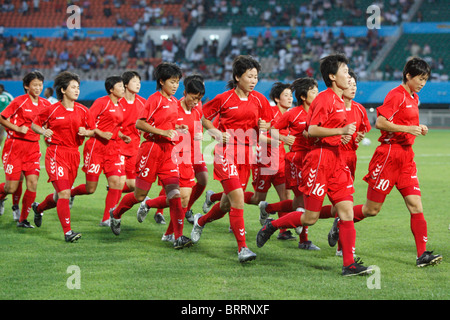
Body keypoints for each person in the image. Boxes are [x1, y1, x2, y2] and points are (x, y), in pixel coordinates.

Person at [256, 53, 372, 276]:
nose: (349, 76)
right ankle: (272, 225)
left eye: (349, 72)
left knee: (346, 211)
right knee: (310, 217)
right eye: (345, 72)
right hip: (318, 160)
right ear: (332, 76)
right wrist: (340, 131)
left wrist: (345, 137)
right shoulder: (325, 99)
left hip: (337, 160)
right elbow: (311, 131)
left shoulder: (341, 101)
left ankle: (348, 264)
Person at [334, 57, 442, 267]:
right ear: (408, 75)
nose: (422, 83)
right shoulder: (396, 95)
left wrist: (419, 127)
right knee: (371, 210)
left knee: (416, 206)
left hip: (406, 158)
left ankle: (422, 255)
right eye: (420, 78)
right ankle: (342, 220)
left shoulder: (413, 97)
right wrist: (408, 129)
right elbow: (381, 122)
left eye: (426, 79)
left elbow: (406, 122)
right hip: (389, 157)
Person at [190, 55, 273, 263]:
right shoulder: (224, 98)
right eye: (249, 76)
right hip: (225, 152)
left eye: (256, 77)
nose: (254, 81)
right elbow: (204, 117)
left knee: (226, 205)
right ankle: (242, 248)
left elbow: (268, 123)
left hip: (247, 155)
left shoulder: (260, 100)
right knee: (238, 199)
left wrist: (266, 127)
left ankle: (201, 220)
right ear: (237, 77)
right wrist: (216, 133)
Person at [109, 62, 193, 250]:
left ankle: (178, 237)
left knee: (175, 194)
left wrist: (177, 128)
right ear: (161, 81)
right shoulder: (154, 100)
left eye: (178, 82)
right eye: (172, 81)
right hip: (151, 150)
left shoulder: (173, 102)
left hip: (168, 153)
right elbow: (139, 123)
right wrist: (163, 132)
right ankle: (115, 214)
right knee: (139, 195)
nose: (175, 85)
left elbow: (169, 124)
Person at [31, 71, 95, 242]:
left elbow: (93, 130)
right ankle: (68, 232)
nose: (77, 90)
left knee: (59, 195)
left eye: (78, 87)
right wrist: (44, 131)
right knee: (65, 193)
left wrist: (86, 132)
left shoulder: (83, 110)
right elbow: (34, 125)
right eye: (73, 87)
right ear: (63, 90)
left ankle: (38, 208)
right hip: (56, 153)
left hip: (74, 154)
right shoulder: (51, 110)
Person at [141, 75, 206, 242]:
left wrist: (198, 136)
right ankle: (172, 233)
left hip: (190, 156)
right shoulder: (173, 107)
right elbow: (156, 128)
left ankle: (159, 219)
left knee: (182, 199)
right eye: (193, 97)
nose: (196, 102)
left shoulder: (198, 109)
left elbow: (197, 131)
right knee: (179, 197)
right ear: (185, 93)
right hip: (174, 156)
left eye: (199, 99)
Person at [258, 78, 321, 250]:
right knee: (302, 202)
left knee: (297, 203)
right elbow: (273, 129)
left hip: (314, 160)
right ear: (303, 96)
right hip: (295, 160)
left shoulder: (319, 112)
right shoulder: (293, 114)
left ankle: (269, 209)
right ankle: (303, 240)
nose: (317, 95)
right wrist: (284, 138)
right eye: (313, 92)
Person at [70, 76, 131, 226]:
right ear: (111, 89)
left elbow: (114, 127)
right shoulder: (101, 103)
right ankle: (70, 193)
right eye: (120, 86)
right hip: (95, 148)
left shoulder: (120, 105)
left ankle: (107, 218)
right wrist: (100, 132)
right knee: (91, 188)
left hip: (113, 149)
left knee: (116, 182)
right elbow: (87, 125)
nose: (123, 89)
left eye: (124, 86)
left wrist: (122, 136)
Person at [327, 70, 372, 256]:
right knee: (313, 210)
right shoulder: (331, 106)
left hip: (350, 158)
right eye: (350, 83)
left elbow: (362, 132)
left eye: (355, 85)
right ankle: (290, 227)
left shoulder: (359, 109)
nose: (353, 88)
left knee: (343, 204)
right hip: (331, 158)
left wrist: (359, 137)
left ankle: (341, 248)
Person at [243, 82, 295, 240]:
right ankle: (228, 198)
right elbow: (259, 136)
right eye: (286, 95)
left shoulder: (290, 116)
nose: (290, 98)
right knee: (257, 199)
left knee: (286, 196)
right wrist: (277, 141)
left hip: (280, 161)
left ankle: (283, 230)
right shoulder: (269, 113)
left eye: (291, 95)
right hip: (264, 162)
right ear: (277, 99)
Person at [0, 71, 51, 228]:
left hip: (33, 148)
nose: (38, 88)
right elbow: (2, 117)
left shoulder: (46, 104)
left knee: (32, 184)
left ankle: (23, 219)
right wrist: (16, 128)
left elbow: (49, 123)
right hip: (15, 146)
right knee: (11, 187)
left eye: (40, 85)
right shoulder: (19, 101)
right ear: (26, 86)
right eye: (35, 85)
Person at [118, 71, 146, 194]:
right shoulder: (117, 101)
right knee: (119, 181)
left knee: (132, 185)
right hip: (117, 148)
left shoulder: (143, 103)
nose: (138, 84)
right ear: (125, 84)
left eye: (139, 82)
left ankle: (114, 190)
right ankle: (110, 212)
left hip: (134, 148)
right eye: (134, 81)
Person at [0, 83, 22, 222]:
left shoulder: (10, 97)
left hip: (28, 150)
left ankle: (17, 209)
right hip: (12, 147)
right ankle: (2, 198)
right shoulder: (18, 102)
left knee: (27, 181)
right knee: (11, 186)